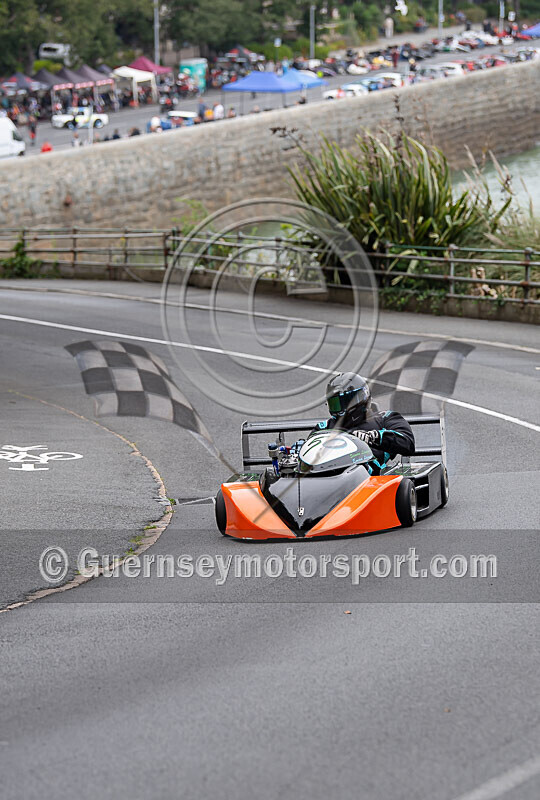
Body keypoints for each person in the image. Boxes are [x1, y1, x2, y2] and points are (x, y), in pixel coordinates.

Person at [314, 372, 415, 473]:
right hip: (329, 478)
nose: (341, 409)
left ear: (361, 398)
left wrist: (374, 437)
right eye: (335, 404)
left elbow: (408, 443)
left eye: (346, 403)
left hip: (371, 479)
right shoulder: (324, 428)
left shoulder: (386, 419)